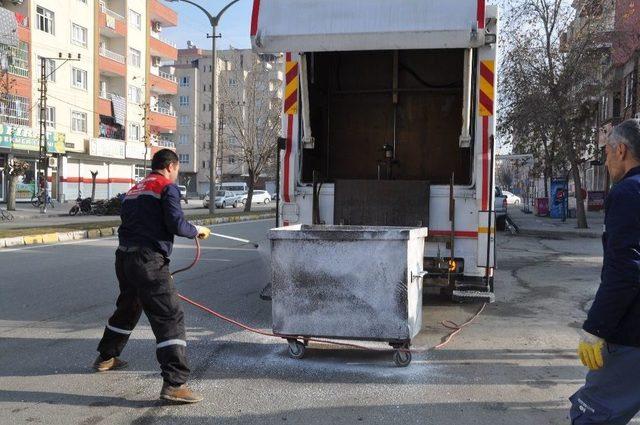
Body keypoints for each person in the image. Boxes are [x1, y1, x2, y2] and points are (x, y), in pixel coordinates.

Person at [94, 149, 211, 404]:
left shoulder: (135, 189)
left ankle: (106, 357)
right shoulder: (166, 187)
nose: (177, 175)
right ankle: (175, 384)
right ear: (170, 166)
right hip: (148, 261)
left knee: (128, 307)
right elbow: (176, 225)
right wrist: (197, 230)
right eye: (177, 170)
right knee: (169, 316)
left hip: (124, 258)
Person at [570, 119, 640, 424]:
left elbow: (626, 269)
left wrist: (596, 328)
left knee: (591, 415)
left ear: (621, 150)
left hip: (632, 337)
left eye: (607, 152)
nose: (606, 160)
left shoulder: (628, 193)